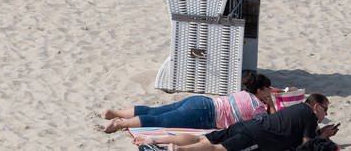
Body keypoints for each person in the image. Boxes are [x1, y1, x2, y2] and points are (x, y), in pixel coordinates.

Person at [100, 71, 274, 133]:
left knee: (156, 111)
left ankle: (115, 113)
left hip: (201, 102)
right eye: (268, 89)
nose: (270, 92)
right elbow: (270, 123)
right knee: (160, 121)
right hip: (204, 115)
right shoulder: (257, 108)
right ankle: (120, 124)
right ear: (260, 90)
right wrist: (271, 104)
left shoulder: (243, 93)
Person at [160, 93, 337, 150]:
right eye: (325, 108)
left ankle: (156, 141)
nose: (326, 113)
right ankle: (179, 150)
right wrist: (323, 135)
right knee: (216, 149)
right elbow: (307, 146)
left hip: (248, 124)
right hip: (255, 136)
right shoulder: (310, 117)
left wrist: (321, 133)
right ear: (316, 106)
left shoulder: (296, 108)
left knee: (203, 139)